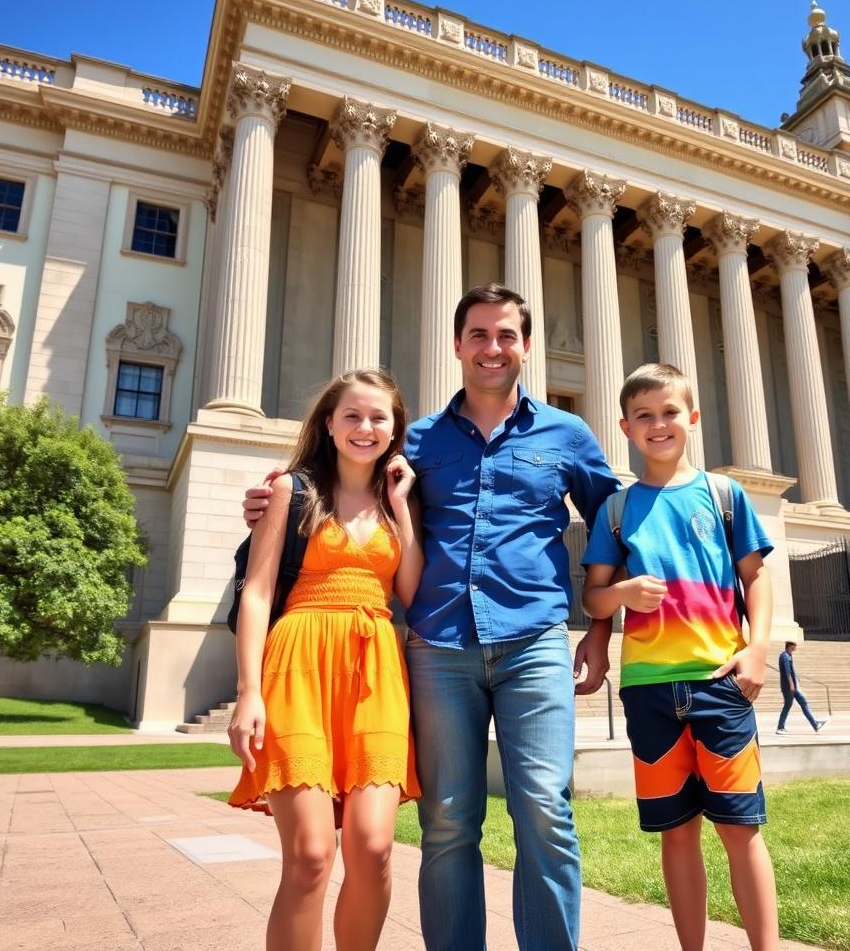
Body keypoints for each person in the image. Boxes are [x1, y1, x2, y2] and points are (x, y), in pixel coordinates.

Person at [244, 284, 619, 951]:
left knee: (545, 813)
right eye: (478, 334)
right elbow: (343, 486)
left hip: (533, 638)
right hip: (439, 647)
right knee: (448, 822)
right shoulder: (413, 441)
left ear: (526, 346)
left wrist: (600, 624)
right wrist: (273, 498)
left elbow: (613, 521)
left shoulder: (569, 434)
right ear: (457, 345)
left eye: (506, 335)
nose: (493, 347)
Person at [582, 362, 781, 951]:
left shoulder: (724, 495)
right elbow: (593, 596)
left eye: (669, 412)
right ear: (625, 427)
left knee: (742, 829)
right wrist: (620, 594)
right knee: (676, 835)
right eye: (643, 415)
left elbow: (757, 579)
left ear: (692, 418)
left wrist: (757, 649)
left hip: (719, 683)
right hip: (647, 691)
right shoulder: (616, 511)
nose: (658, 424)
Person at [227, 368, 422, 951]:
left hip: (377, 670)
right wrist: (247, 692)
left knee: (373, 848)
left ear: (394, 428)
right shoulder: (291, 490)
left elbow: (410, 593)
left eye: (378, 417)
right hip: (297, 667)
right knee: (311, 855)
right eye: (353, 416)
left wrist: (403, 508)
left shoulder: (398, 502)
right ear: (330, 424)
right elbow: (257, 593)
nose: (365, 427)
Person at [776, 640, 828, 735]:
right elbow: (787, 672)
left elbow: (791, 671)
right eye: (794, 645)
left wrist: (796, 680)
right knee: (787, 706)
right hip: (788, 687)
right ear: (790, 646)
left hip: (793, 687)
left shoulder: (789, 655)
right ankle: (780, 727)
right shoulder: (784, 656)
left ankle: (815, 724)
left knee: (803, 702)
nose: (796, 647)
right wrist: (791, 684)